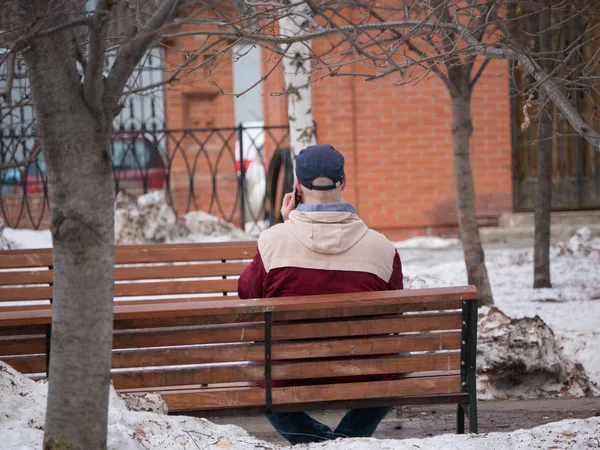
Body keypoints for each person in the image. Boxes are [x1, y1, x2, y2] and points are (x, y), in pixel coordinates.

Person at [238, 144, 403, 445]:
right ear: (344, 183)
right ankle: (347, 439)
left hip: (290, 371)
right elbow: (394, 316)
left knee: (257, 367)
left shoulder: (273, 242)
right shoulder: (382, 249)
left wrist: (287, 226)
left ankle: (317, 442)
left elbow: (247, 293)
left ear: (297, 186)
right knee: (399, 357)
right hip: (362, 370)